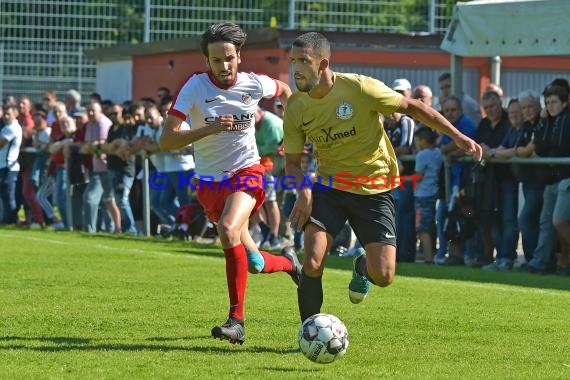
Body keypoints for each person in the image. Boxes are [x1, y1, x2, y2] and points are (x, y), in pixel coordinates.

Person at [283, 32, 482, 323]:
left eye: (304, 61)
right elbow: (291, 162)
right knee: (312, 261)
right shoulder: (296, 106)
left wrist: (457, 135)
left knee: (385, 276)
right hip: (329, 187)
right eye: (293, 61)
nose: (296, 68)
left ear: (323, 63)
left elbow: (412, 107)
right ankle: (309, 332)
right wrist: (303, 191)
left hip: (374, 189)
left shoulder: (361, 88)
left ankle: (363, 266)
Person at [159, 22, 299, 345]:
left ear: (239, 56)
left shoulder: (253, 84)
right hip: (210, 184)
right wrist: (207, 130)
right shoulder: (194, 88)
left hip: (247, 172)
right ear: (206, 61)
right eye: (217, 60)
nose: (224, 66)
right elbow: (166, 140)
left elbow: (285, 90)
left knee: (227, 228)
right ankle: (289, 262)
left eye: (230, 58)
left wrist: (292, 132)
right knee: (256, 262)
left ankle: (237, 320)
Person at [413, 127, 442, 264]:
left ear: (423, 141)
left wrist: (404, 178)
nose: (416, 143)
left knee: (422, 228)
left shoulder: (422, 155)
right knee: (431, 226)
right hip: (434, 192)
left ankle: (428, 258)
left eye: (417, 140)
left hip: (422, 195)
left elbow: (419, 175)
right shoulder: (437, 152)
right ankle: (433, 254)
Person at [0, 104, 23, 224]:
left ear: (15, 114)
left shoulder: (13, 128)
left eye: (8, 113)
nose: (5, 116)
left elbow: (1, 143)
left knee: (9, 196)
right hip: (3, 166)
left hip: (9, 167)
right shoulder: (6, 127)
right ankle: (6, 219)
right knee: (4, 196)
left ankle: (12, 220)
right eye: (5, 113)